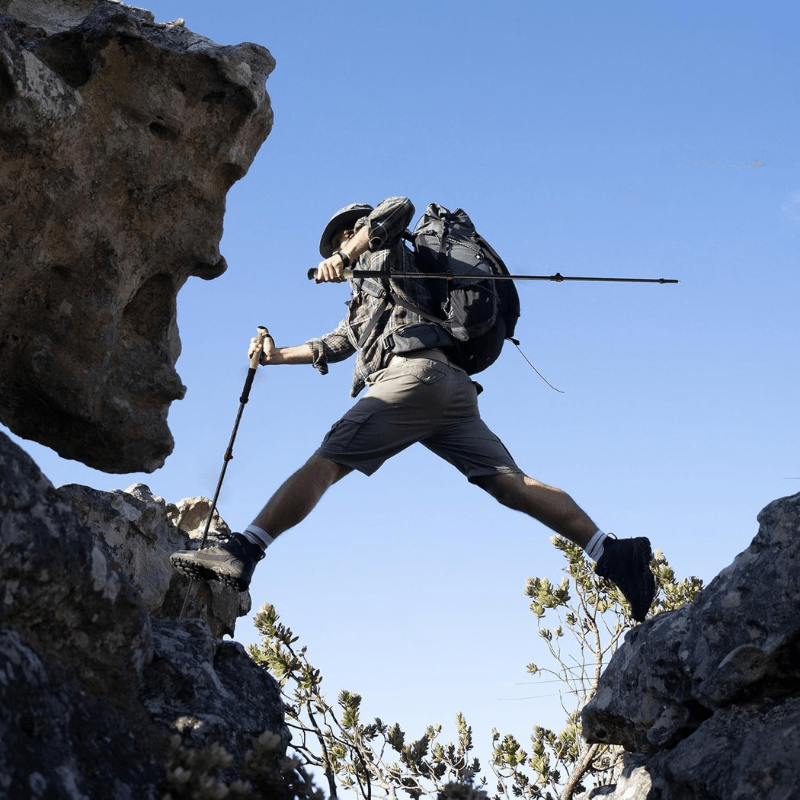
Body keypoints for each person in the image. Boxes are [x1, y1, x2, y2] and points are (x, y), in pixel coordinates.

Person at [171, 196, 657, 622]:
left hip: (411, 380)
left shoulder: (388, 249)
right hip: (451, 391)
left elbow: (397, 204)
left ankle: (243, 551)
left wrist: (349, 251)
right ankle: (612, 551)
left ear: (356, 232)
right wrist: (277, 356)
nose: (337, 251)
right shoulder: (370, 296)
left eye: (342, 237)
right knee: (512, 484)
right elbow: (337, 343)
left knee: (328, 460)